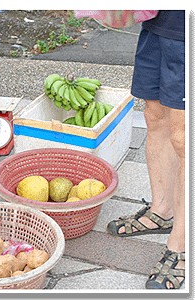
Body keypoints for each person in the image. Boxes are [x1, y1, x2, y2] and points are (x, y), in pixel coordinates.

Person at [106, 10, 185, 289]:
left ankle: (181, 245)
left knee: (183, 135)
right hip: (158, 23)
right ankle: (162, 211)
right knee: (155, 114)